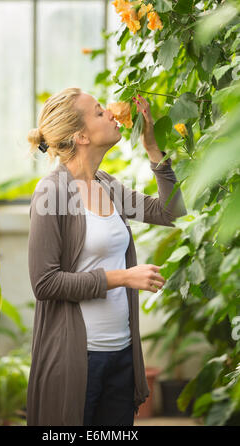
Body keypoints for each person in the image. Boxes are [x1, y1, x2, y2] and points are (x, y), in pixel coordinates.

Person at [26, 87, 187, 426]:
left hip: (122, 356)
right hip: (77, 361)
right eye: (99, 112)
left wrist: (153, 149)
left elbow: (170, 213)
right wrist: (123, 277)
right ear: (81, 136)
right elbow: (45, 282)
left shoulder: (107, 185)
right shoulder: (52, 192)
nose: (111, 114)